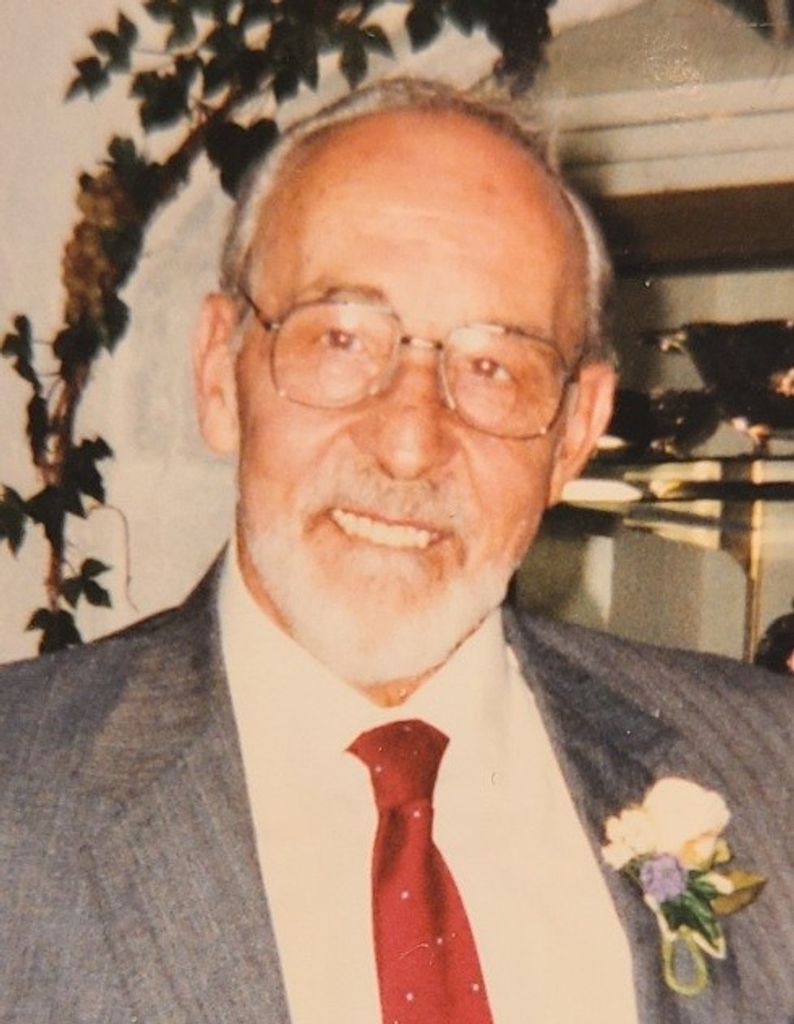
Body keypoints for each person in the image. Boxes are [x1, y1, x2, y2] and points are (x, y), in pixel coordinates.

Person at [1, 78, 791, 1024]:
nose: (410, 443)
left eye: (492, 366)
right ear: (219, 373)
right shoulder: (20, 795)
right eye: (342, 340)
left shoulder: (770, 772)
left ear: (575, 433)